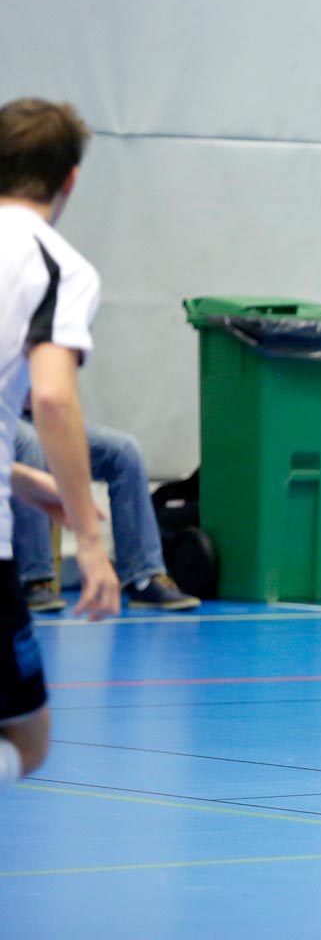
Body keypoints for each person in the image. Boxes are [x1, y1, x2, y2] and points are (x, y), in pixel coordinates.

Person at [1, 97, 122, 790]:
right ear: (69, 180)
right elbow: (50, 394)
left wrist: (18, 476)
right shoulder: (55, 265)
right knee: (29, 739)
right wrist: (90, 538)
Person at [12, 416, 200, 612]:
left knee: (124, 451)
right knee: (30, 444)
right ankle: (33, 579)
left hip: (36, 417)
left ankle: (142, 577)